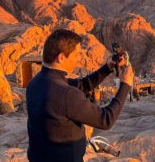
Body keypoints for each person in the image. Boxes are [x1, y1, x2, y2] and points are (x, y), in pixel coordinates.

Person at [26, 29, 134, 162]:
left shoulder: (35, 82)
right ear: (61, 57)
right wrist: (125, 85)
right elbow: (106, 119)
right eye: (76, 54)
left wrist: (107, 67)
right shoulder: (66, 94)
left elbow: (83, 85)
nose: (78, 59)